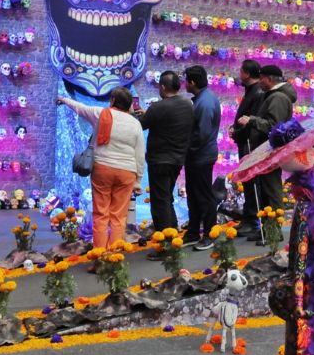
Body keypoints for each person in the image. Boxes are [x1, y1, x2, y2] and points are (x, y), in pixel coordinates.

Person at [57, 87, 145, 256]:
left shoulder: (100, 113)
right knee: (119, 216)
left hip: (103, 169)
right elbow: (139, 154)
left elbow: (79, 107)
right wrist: (138, 180)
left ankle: (99, 256)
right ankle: (114, 256)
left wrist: (63, 99)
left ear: (112, 101)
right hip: (127, 172)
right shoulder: (135, 123)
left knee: (101, 214)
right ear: (129, 105)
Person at [236, 64, 297, 241]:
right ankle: (266, 228)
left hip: (271, 151)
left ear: (268, 79)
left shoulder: (277, 98)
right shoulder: (273, 96)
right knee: (265, 189)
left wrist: (252, 120)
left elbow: (273, 125)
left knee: (271, 190)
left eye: (261, 77)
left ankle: (273, 230)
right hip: (266, 150)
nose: (259, 81)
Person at [137, 70, 194, 239]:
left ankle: (166, 241)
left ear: (162, 87)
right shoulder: (187, 105)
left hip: (160, 160)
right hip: (178, 159)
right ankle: (173, 232)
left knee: (159, 200)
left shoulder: (158, 107)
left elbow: (140, 125)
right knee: (167, 196)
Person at [183, 65, 222, 251]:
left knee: (204, 195)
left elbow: (202, 133)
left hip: (201, 156)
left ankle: (209, 233)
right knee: (193, 194)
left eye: (186, 81)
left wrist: (187, 149)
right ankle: (193, 231)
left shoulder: (205, 102)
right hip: (198, 155)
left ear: (192, 82)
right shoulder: (203, 98)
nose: (185, 84)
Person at [229, 60, 264, 237]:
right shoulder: (252, 91)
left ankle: (252, 220)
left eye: (241, 72)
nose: (239, 75)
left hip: (251, 144)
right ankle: (249, 218)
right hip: (245, 143)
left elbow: (252, 120)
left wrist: (239, 132)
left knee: (251, 182)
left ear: (247, 74)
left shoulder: (257, 92)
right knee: (247, 181)